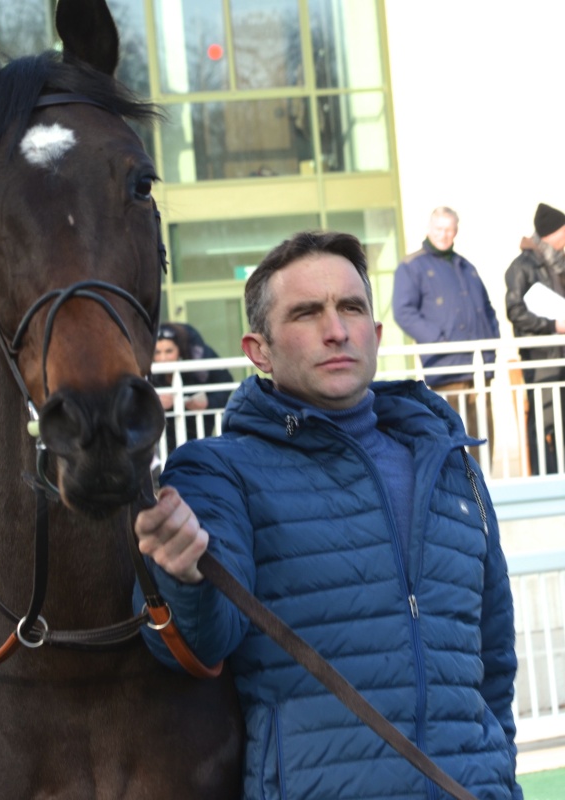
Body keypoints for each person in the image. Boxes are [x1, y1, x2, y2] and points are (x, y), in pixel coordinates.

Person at [134, 231, 521, 799]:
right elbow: (198, 640)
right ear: (258, 350)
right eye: (306, 313)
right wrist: (181, 573)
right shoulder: (217, 472)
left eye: (351, 308)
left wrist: (497, 773)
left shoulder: (448, 460)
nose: (335, 330)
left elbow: (494, 659)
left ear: (377, 333)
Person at [393, 207, 500, 447]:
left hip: (480, 367)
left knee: (483, 436)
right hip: (446, 369)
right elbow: (404, 312)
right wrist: (439, 341)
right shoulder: (412, 266)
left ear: (456, 231)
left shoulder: (466, 266)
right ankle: (462, 485)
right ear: (429, 229)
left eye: (449, 229)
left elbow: (486, 307)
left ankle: (483, 484)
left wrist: (493, 340)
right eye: (439, 229)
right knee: (455, 439)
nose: (444, 235)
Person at [505, 202, 565, 475]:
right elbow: (515, 311)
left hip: (560, 354)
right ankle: (543, 477)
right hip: (541, 358)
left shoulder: (559, 263)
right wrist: (552, 324)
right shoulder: (521, 267)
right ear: (553, 233)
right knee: (543, 421)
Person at [151, 322, 233, 453]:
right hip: (164, 441)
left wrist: (208, 403)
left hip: (199, 431)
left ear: (180, 350)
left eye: (169, 351)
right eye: (157, 352)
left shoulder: (199, 359)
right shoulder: (148, 371)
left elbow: (225, 381)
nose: (163, 358)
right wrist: (155, 404)